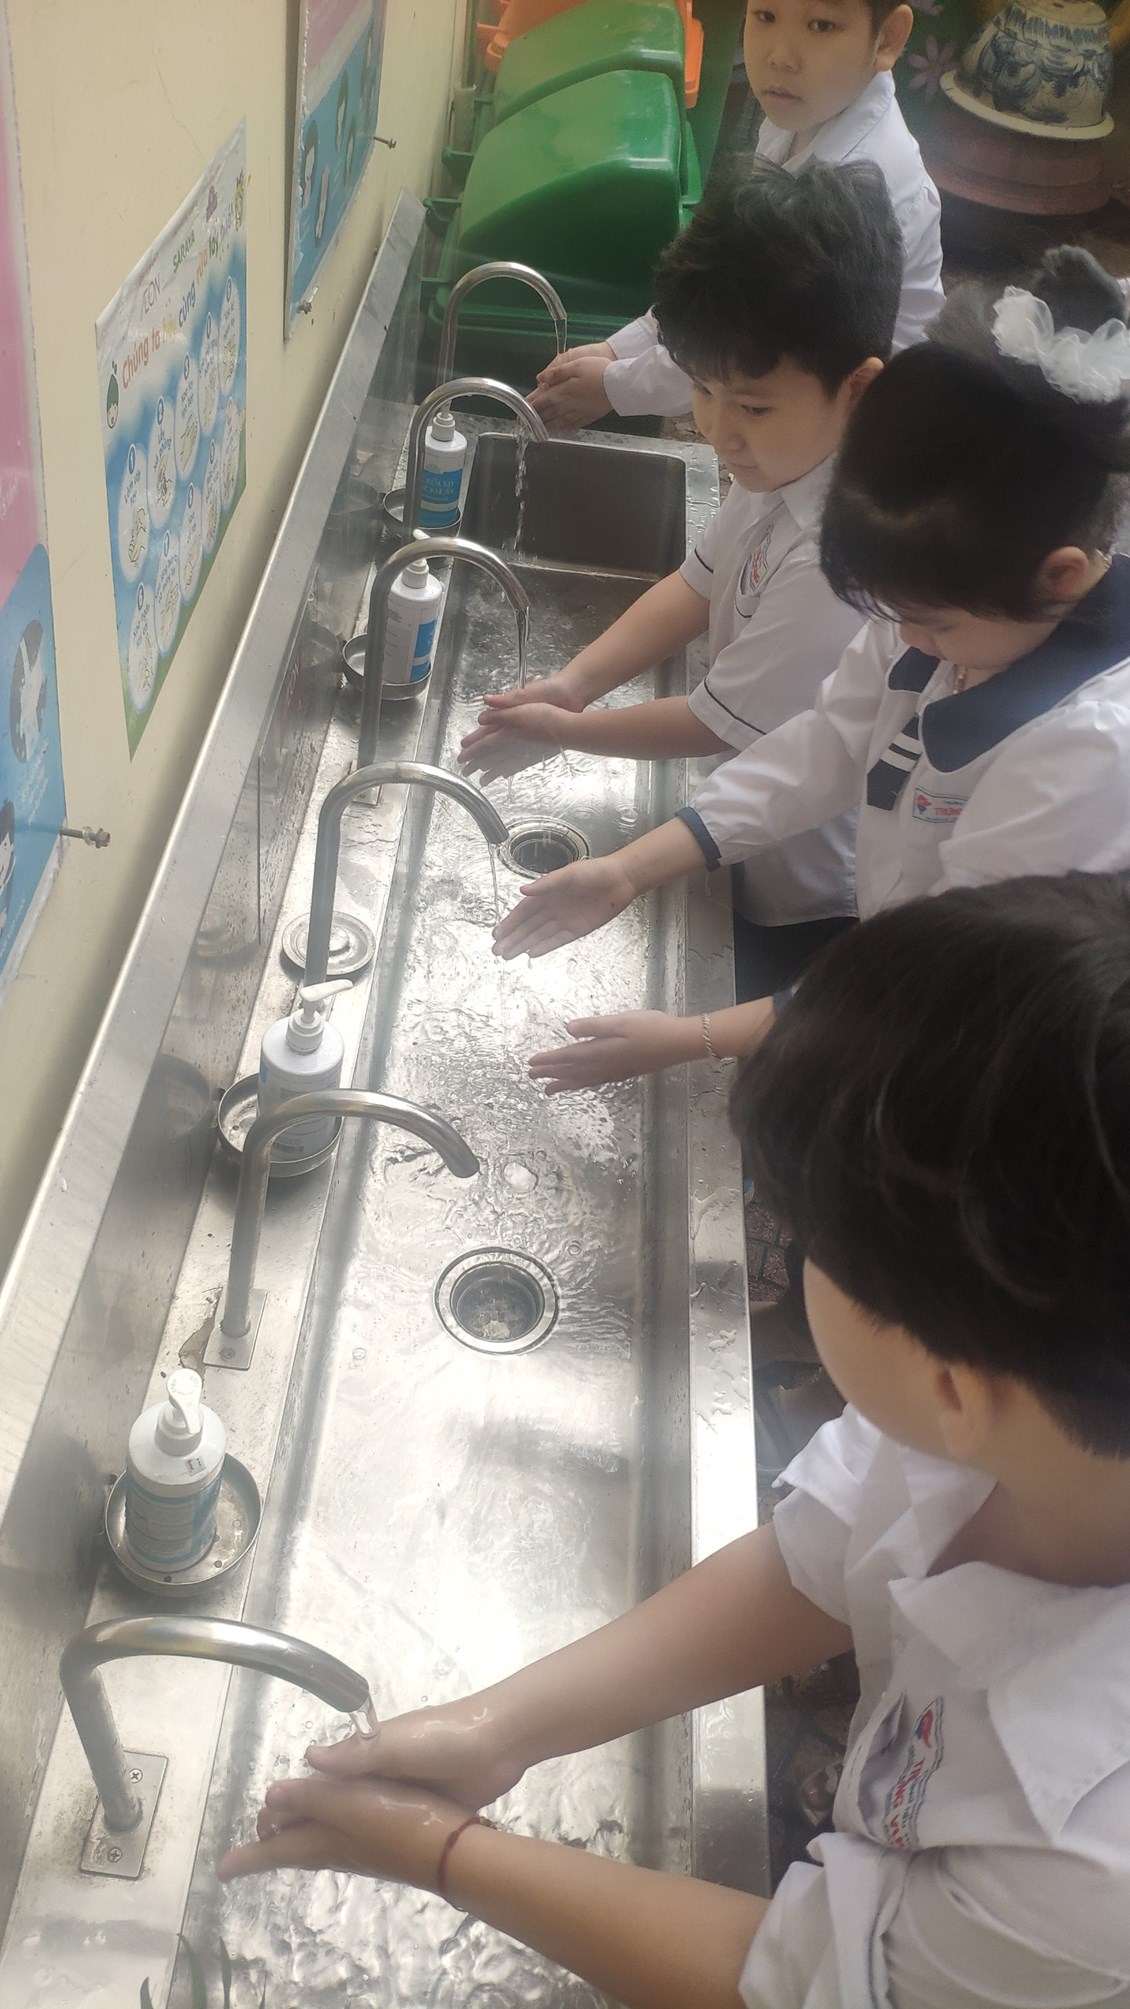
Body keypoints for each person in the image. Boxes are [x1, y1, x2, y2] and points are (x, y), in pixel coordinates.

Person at [218, 872, 1130, 2007]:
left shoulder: (1090, 1858)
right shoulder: (1043, 1402)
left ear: (950, 1380)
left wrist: (438, 1852)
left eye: (815, 1244)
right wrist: (502, 1727)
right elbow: (825, 1552)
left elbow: (807, 1983)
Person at [493, 247, 1130, 1096]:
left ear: (1061, 576)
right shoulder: (952, 599)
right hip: (903, 963)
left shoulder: (1086, 759)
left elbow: (938, 984)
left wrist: (694, 1037)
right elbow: (827, 745)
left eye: (933, 622)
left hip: (989, 1054)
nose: (904, 637)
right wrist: (626, 869)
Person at [461, 156, 903, 996]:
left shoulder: (840, 554)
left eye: (753, 404)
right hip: (741, 824)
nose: (719, 430)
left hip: (805, 888)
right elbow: (695, 586)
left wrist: (562, 729)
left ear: (856, 388)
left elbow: (710, 723)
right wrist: (573, 685)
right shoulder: (784, 461)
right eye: (701, 390)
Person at [529, 0, 941, 432]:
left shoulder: (865, 189)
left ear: (888, 37)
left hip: (848, 432)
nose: (779, 56)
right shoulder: (801, 115)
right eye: (765, 16)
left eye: (821, 25)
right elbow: (726, 279)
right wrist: (618, 351)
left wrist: (615, 386)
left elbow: (743, 339)